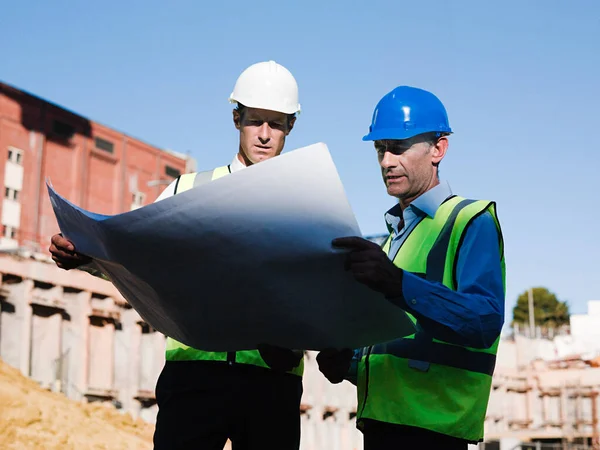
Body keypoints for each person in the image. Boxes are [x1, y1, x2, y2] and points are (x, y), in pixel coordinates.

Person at [49, 60, 305, 450]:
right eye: (256, 121)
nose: (265, 135)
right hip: (194, 377)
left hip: (273, 380)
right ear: (237, 118)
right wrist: (85, 258)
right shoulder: (186, 191)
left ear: (291, 126)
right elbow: (137, 256)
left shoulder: (307, 208)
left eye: (277, 123)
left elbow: (320, 294)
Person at [316, 86, 505, 450]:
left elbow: (484, 321)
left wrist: (398, 284)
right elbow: (402, 352)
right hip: (382, 428)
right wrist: (349, 365)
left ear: (439, 149)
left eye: (398, 147)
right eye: (379, 149)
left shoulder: (470, 221)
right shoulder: (389, 245)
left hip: (434, 433)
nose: (387, 161)